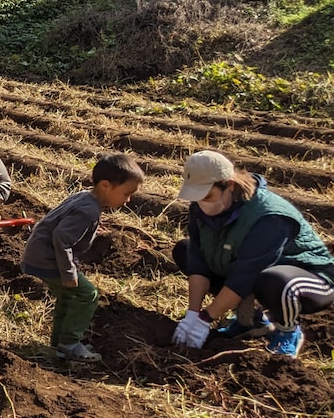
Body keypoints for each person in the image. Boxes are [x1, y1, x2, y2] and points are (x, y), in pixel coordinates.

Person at [171, 150, 334, 359]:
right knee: (185, 250)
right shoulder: (200, 210)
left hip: (308, 278)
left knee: (274, 281)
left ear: (229, 184)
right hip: (254, 271)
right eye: (197, 197)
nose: (202, 203)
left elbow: (245, 275)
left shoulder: (269, 216)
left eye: (208, 196)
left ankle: (288, 331)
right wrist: (192, 314)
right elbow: (198, 261)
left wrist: (206, 317)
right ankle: (251, 321)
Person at [21, 154, 145, 362]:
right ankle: (70, 344)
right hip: (47, 260)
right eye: (126, 194)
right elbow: (62, 237)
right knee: (87, 295)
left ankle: (60, 344)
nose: (128, 200)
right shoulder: (88, 210)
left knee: (68, 297)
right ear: (106, 186)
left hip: (38, 256)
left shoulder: (85, 198)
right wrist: (69, 272)